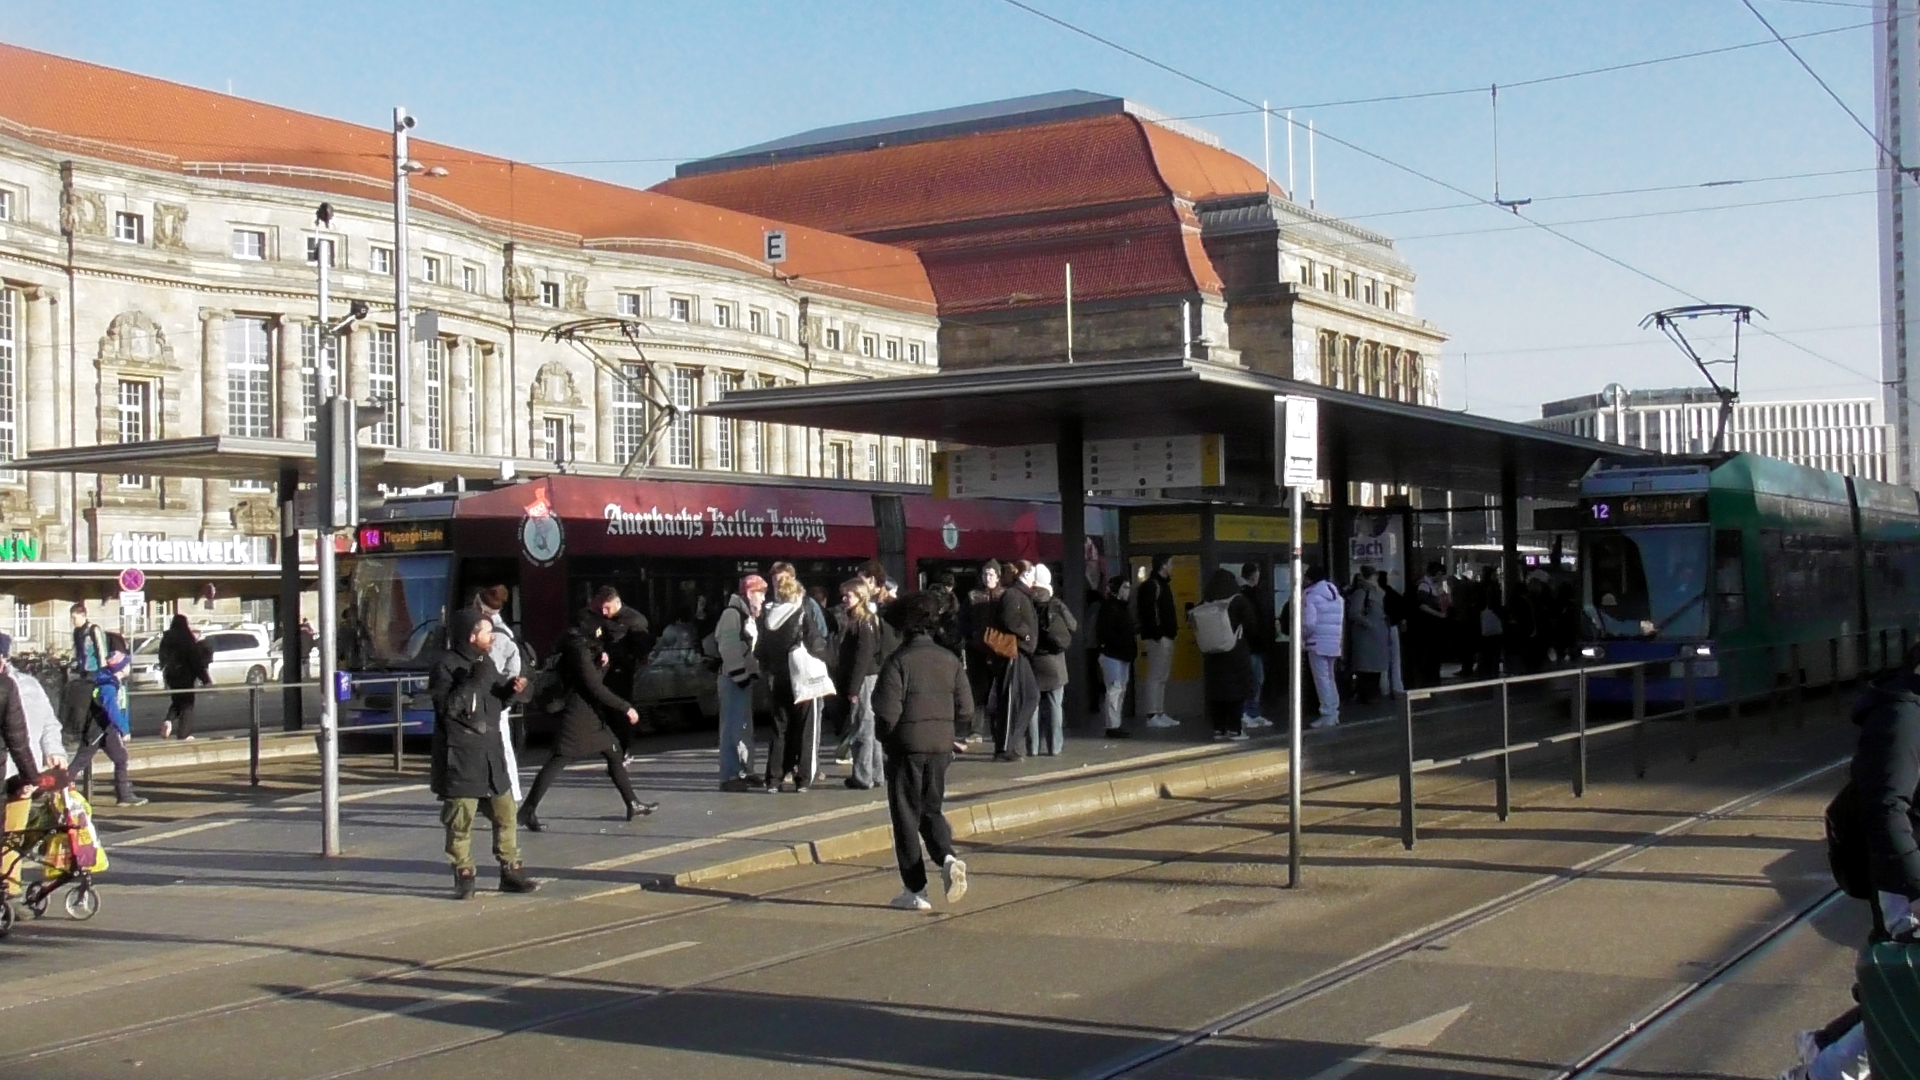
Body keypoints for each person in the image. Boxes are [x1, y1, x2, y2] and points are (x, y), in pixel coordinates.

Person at [1776, 646, 1920, 1080]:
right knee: (1908, 986)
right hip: (1906, 878)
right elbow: (1885, 807)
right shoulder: (1902, 715)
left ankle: (1824, 1053)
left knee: (1907, 988)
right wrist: (1913, 887)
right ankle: (1823, 1067)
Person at [871, 591, 972, 912]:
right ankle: (948, 858)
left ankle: (916, 890)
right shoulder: (950, 660)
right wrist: (949, 732)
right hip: (941, 747)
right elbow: (966, 709)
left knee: (905, 817)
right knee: (931, 809)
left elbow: (886, 712)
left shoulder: (898, 661)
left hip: (906, 747)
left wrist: (886, 740)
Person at [429, 608, 535, 900]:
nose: (493, 637)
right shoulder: (446, 666)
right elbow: (448, 709)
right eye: (488, 632)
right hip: (462, 757)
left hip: (491, 754)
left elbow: (495, 703)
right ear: (472, 636)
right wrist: (475, 681)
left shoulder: (485, 662)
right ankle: (464, 872)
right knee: (460, 820)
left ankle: (510, 870)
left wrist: (513, 691)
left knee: (506, 812)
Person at [519, 613, 656, 831]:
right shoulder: (579, 651)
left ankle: (632, 803)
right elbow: (594, 687)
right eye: (599, 629)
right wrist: (625, 707)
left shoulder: (580, 646)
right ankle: (528, 809)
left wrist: (602, 664)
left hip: (589, 715)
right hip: (578, 716)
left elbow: (592, 680)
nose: (601, 633)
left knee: (613, 751)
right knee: (558, 759)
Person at [757, 569, 831, 792]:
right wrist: (830, 660)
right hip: (802, 678)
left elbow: (760, 651)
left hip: (779, 679)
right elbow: (816, 643)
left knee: (780, 729)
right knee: (807, 728)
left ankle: (774, 778)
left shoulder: (768, 615)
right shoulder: (801, 612)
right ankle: (804, 778)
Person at [70, 629, 143, 807]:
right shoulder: (108, 685)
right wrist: (124, 729)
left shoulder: (112, 682)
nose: (129, 667)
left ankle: (124, 795)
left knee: (120, 758)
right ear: (121, 668)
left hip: (105, 729)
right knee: (80, 761)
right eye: (127, 665)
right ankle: (57, 788)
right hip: (97, 729)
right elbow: (112, 709)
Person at [1, 639, 50, 899]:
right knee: (8, 835)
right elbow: (17, 740)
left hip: (8, 774)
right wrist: (33, 778)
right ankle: (7, 893)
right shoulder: (6, 686)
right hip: (6, 775)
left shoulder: (18, 685)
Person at [472, 586, 527, 800]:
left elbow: (490, 670)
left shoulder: (494, 635)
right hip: (500, 695)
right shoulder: (505, 631)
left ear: (480, 607)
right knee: (501, 744)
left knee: (500, 745)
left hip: (494, 698)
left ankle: (509, 793)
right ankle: (509, 792)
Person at [713, 575, 766, 792]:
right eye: (761, 593)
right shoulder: (732, 614)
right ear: (750, 593)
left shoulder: (744, 614)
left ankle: (745, 770)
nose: (764, 598)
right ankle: (729, 775)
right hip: (733, 679)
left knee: (743, 727)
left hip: (741, 678)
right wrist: (741, 675)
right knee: (732, 728)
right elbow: (729, 648)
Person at [833, 579, 886, 789]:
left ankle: (863, 775)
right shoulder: (862, 619)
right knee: (869, 727)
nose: (844, 599)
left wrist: (853, 688)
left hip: (864, 678)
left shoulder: (864, 622)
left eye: (849, 595)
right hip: (865, 677)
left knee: (862, 726)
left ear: (860, 597)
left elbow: (863, 656)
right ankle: (876, 773)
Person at [988, 560, 1041, 761]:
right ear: (1025, 575)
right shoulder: (1013, 595)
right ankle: (1004, 746)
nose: (1034, 577)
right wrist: (1026, 635)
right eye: (1032, 573)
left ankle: (1010, 742)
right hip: (1013, 653)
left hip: (1020, 653)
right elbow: (1010, 620)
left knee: (1030, 696)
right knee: (1012, 699)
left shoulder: (1020, 595)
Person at [591, 586, 652, 758]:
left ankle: (623, 748)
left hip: (621, 671)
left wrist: (624, 658)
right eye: (601, 608)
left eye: (607, 608)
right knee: (605, 710)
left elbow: (642, 648)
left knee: (619, 711)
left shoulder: (634, 620)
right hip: (601, 671)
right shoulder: (599, 618)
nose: (604, 612)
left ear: (617, 603)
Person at [1199, 569, 1257, 742]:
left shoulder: (1206, 601)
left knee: (1217, 692)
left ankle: (1219, 728)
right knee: (1236, 692)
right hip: (1235, 652)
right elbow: (1251, 625)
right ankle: (1235, 729)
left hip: (1212, 653)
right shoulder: (1238, 600)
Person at [1027, 564, 1078, 757]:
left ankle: (1032, 747)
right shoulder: (1056, 603)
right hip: (1055, 661)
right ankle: (1055, 747)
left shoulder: (1028, 601)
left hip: (1033, 660)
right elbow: (1073, 625)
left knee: (1032, 706)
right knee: (1055, 704)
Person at [962, 561, 1003, 744]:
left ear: (998, 576)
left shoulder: (1004, 595)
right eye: (985, 574)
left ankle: (997, 730)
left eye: (991, 574)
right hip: (977, 649)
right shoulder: (972, 596)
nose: (988, 578)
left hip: (998, 649)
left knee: (998, 691)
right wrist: (971, 634)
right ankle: (975, 730)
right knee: (977, 691)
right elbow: (963, 621)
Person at [1137, 556, 1179, 729]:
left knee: (1162, 676)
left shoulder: (1161, 585)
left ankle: (1159, 712)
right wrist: (1158, 634)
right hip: (1158, 638)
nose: (1172, 567)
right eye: (1170, 563)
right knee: (1156, 676)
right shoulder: (1152, 585)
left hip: (1165, 637)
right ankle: (1152, 714)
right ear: (1163, 565)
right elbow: (1148, 613)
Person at [1301, 565, 1346, 728]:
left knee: (1321, 679)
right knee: (1330, 678)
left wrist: (1302, 636)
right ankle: (1333, 712)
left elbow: (1309, 623)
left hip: (1316, 643)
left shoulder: (1310, 595)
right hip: (1333, 642)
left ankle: (1327, 713)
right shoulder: (1337, 596)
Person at [1095, 576, 1138, 739]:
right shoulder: (1110, 608)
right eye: (1125, 587)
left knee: (1120, 689)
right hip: (1113, 655)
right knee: (1115, 689)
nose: (1128, 591)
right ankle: (1112, 725)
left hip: (1121, 655)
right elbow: (1106, 633)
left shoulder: (1121, 608)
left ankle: (1115, 723)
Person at [157, 614, 211, 741]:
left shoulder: (167, 638)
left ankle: (168, 720)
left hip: (171, 675)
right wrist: (205, 679)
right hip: (185, 675)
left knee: (177, 700)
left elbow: (162, 657)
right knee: (187, 704)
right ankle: (183, 734)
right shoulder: (187, 638)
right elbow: (195, 660)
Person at [61, 603, 109, 744]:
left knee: (93, 701)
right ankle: (84, 730)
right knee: (82, 702)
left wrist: (103, 670)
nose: (73, 621)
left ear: (83, 615)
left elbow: (101, 650)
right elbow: (77, 651)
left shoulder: (93, 630)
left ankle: (98, 729)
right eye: (72, 618)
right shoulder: (77, 632)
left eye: (75, 618)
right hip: (84, 671)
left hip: (95, 671)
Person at [1345, 567, 1391, 704]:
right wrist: (1368, 623)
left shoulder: (1377, 592)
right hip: (1366, 636)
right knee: (1366, 667)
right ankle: (1366, 694)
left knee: (1374, 667)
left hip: (1375, 634)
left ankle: (1371, 693)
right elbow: (1354, 613)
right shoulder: (1361, 592)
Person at [1239, 562, 1275, 730]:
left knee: (1256, 679)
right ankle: (1247, 712)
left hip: (1254, 644)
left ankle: (1252, 712)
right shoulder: (1248, 595)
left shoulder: (1248, 593)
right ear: (1254, 575)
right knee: (1253, 680)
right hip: (1251, 644)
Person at [1411, 562, 1450, 686]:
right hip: (1428, 625)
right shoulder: (1424, 586)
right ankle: (1429, 679)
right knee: (1430, 654)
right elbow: (1422, 605)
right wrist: (1439, 614)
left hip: (1431, 625)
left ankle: (1432, 678)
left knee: (1432, 654)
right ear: (1437, 573)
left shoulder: (1429, 585)